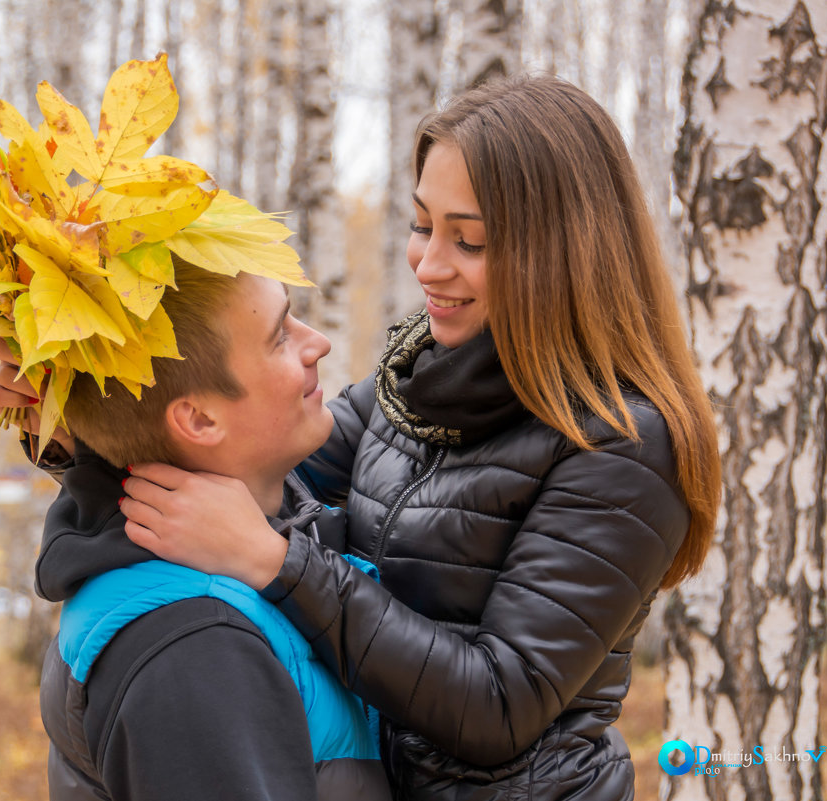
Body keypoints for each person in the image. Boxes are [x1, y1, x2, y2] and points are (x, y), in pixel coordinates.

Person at [110, 74, 722, 800]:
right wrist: (73, 413)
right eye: (422, 225)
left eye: (469, 240)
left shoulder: (622, 441)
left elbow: (500, 703)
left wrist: (275, 562)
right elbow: (237, 456)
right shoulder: (416, 379)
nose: (429, 265)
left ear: (561, 254)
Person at [0, 261, 391, 801]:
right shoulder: (199, 650)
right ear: (199, 421)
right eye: (280, 337)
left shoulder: (235, 550)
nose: (315, 343)